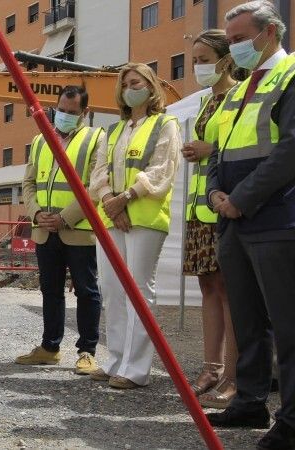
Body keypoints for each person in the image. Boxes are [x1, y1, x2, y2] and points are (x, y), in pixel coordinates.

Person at [204, 2, 295, 447]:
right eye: (232, 40)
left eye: (241, 39)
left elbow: (290, 151)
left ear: (270, 32)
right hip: (234, 221)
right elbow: (218, 154)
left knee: (287, 322)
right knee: (247, 319)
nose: (234, 48)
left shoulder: (291, 76)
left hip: (276, 218)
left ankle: (292, 422)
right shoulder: (238, 91)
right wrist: (215, 194)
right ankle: (250, 401)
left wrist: (240, 199)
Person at [88, 63, 181, 389]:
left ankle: (136, 368)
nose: (130, 87)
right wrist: (111, 203)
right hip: (112, 219)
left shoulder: (165, 124)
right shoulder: (112, 131)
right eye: (126, 83)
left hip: (145, 218)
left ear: (151, 86)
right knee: (112, 292)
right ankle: (115, 359)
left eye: (136, 82)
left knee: (139, 292)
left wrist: (125, 197)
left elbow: (162, 169)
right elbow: (98, 172)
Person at [15, 85, 103, 376]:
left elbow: (94, 187)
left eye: (72, 112)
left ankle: (87, 351)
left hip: (77, 230)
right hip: (44, 230)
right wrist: (37, 212)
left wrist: (64, 218)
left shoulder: (95, 139)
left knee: (87, 291)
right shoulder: (41, 140)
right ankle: (50, 348)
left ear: (85, 113)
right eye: (61, 110)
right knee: (50, 290)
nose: (64, 116)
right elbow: (28, 183)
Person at [181, 29, 239, 409]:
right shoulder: (206, 102)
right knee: (208, 290)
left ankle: (235, 376)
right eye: (195, 60)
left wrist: (210, 148)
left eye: (204, 59)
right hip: (199, 211)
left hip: (225, 209)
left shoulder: (239, 97)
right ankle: (211, 367)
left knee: (231, 293)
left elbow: (244, 144)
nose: (198, 66)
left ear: (225, 59)